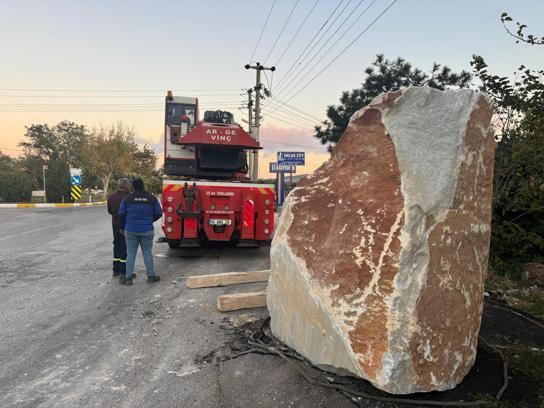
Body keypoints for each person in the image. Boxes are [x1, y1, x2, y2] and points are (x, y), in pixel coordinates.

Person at [118, 178, 162, 285]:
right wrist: (149, 220)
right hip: (147, 230)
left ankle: (128, 278)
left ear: (133, 187)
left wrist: (122, 227)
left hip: (130, 230)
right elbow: (159, 213)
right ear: (143, 186)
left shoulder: (127, 199)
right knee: (147, 252)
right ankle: (151, 276)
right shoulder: (151, 198)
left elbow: (121, 214)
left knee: (130, 254)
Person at [107, 178, 130, 278]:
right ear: (126, 186)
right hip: (126, 225)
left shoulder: (111, 198)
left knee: (116, 245)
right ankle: (123, 271)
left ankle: (115, 270)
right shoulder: (128, 198)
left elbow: (110, 211)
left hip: (115, 224)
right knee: (124, 247)